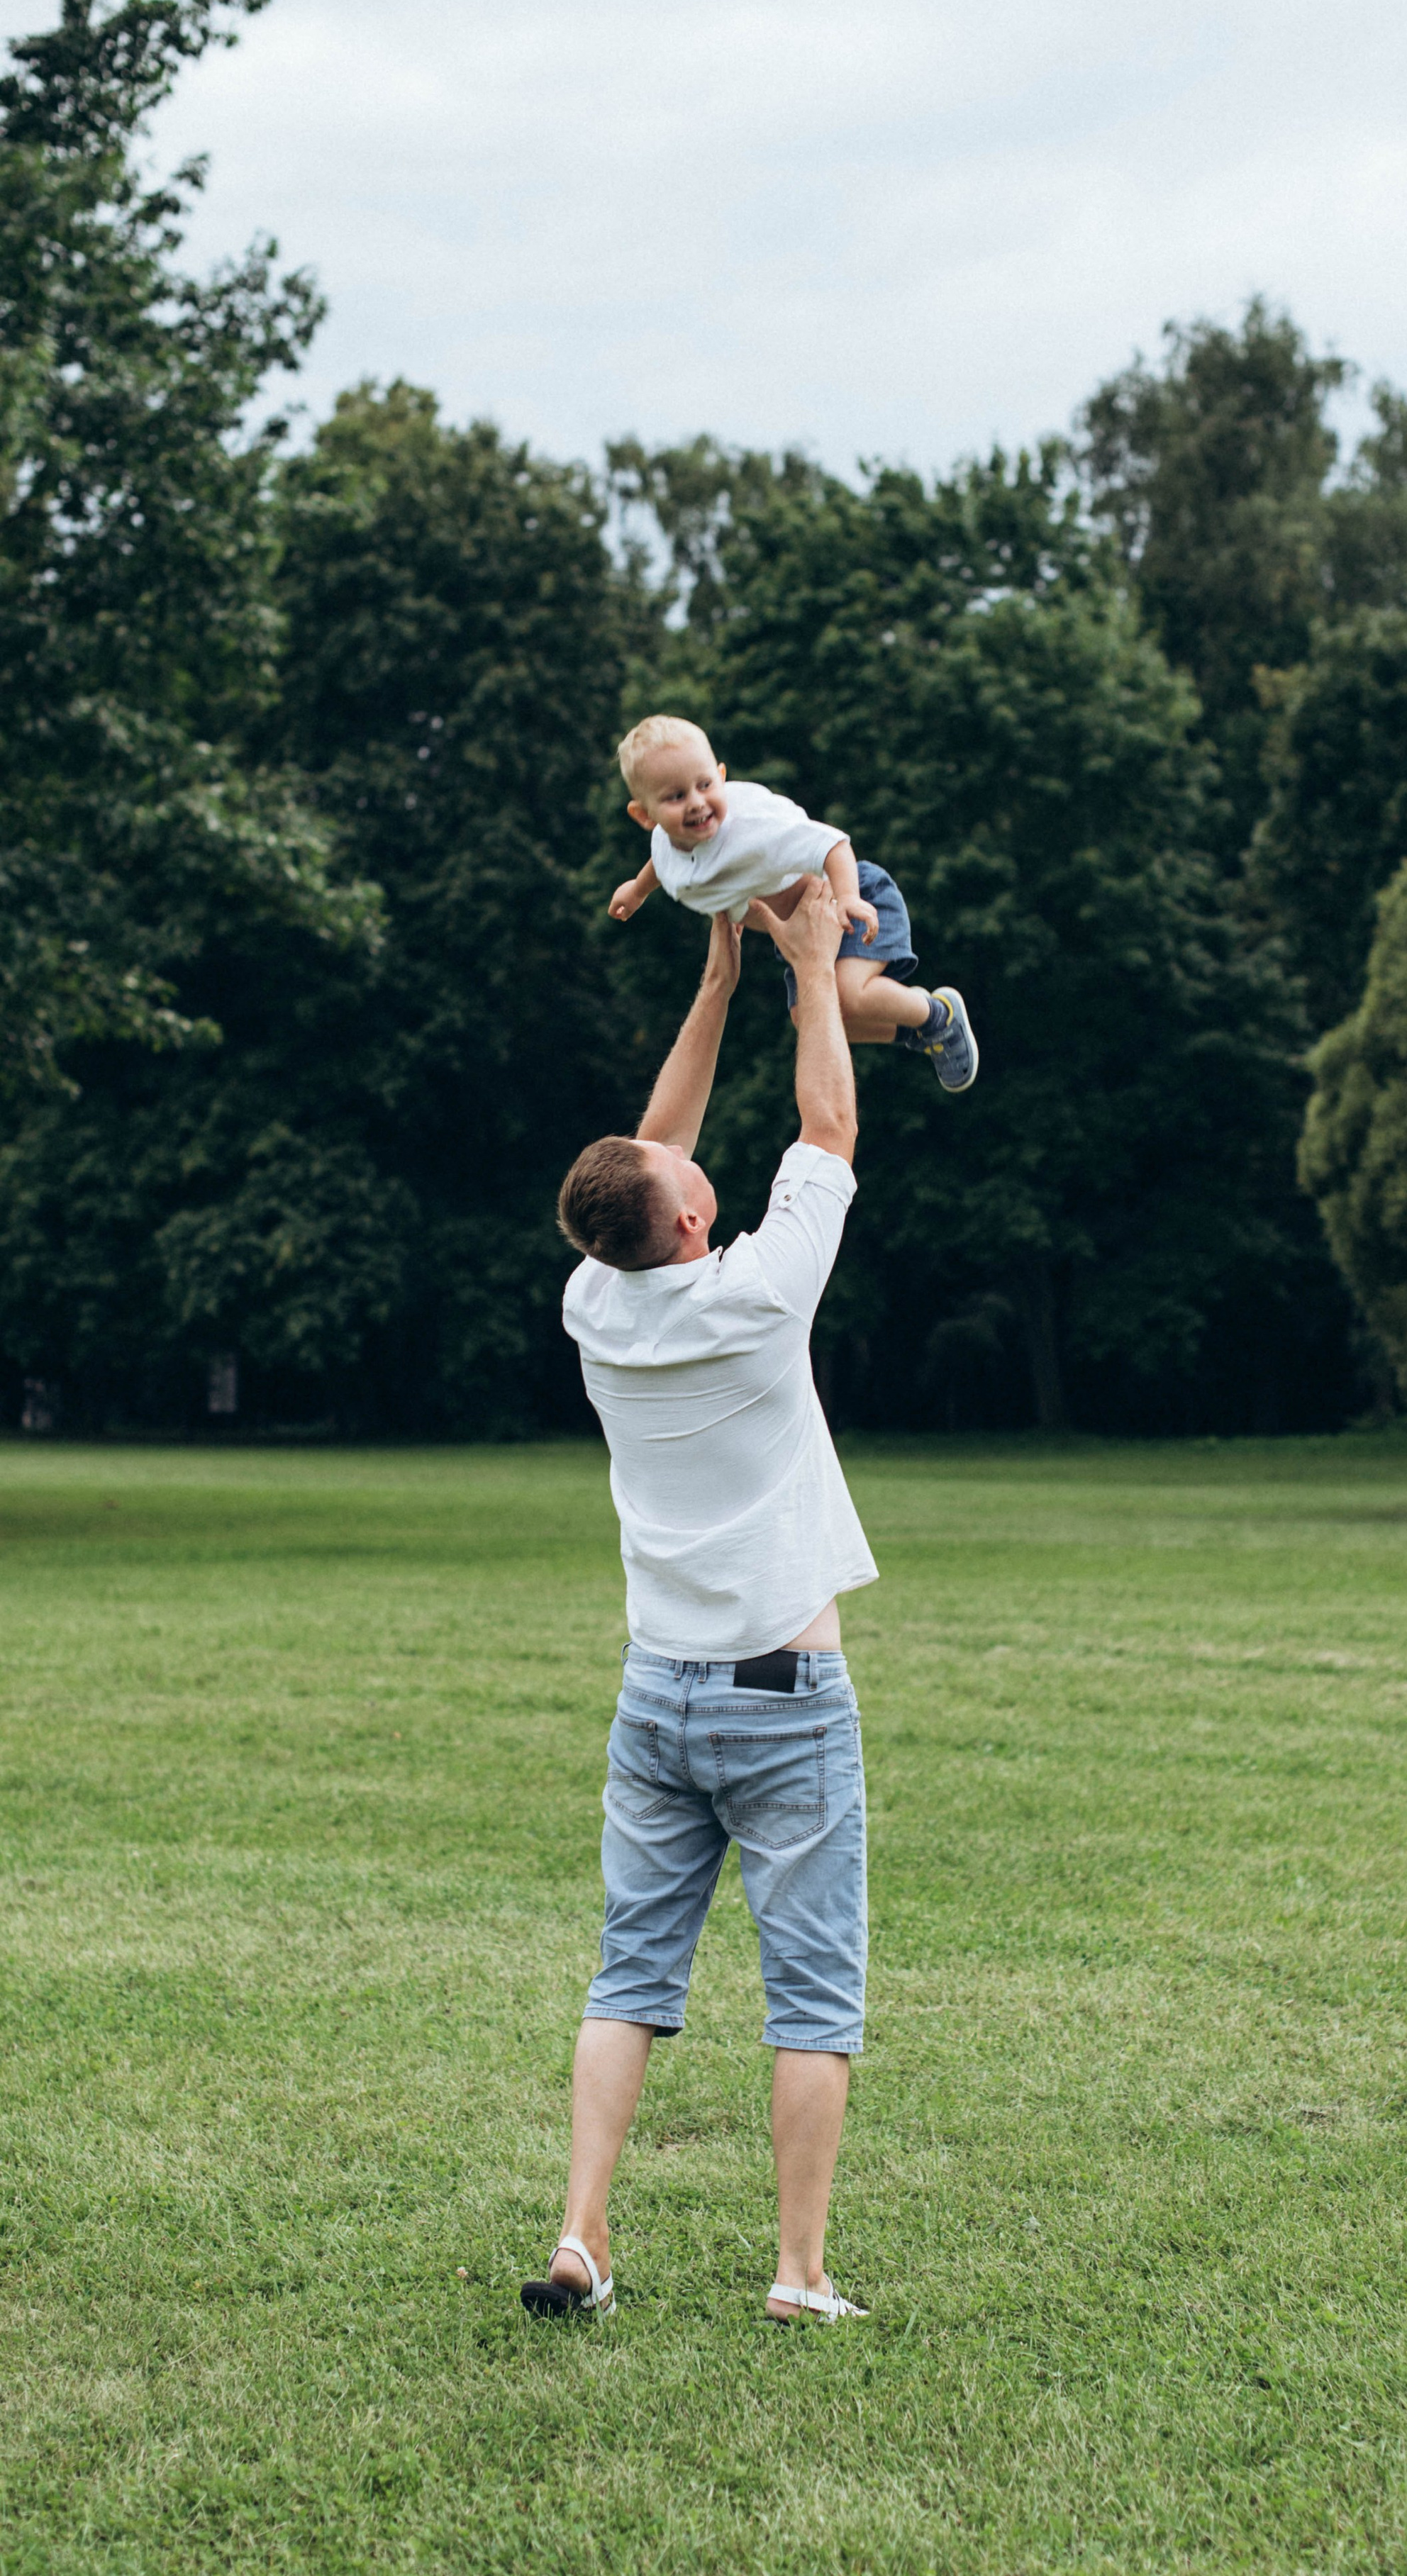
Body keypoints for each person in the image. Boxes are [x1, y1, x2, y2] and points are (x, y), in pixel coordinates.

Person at [521, 880, 877, 2326]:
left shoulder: (596, 1304)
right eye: (672, 1175)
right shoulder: (757, 1291)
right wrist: (803, 968)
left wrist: (717, 975)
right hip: (783, 1697)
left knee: (629, 1977)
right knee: (812, 1998)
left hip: (655, 1692)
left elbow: (645, 1150)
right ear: (685, 1218)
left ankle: (580, 2237)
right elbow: (828, 1129)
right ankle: (796, 2274)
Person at [606, 711, 979, 1093]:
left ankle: (938, 1016)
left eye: (704, 785)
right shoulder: (668, 840)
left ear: (721, 775)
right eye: (677, 796)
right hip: (800, 936)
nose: (697, 803)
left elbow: (834, 844)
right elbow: (664, 861)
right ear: (645, 816)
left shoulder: (753, 828)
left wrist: (848, 898)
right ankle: (913, 1027)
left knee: (847, 995)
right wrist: (637, 889)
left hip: (847, 901)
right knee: (813, 1019)